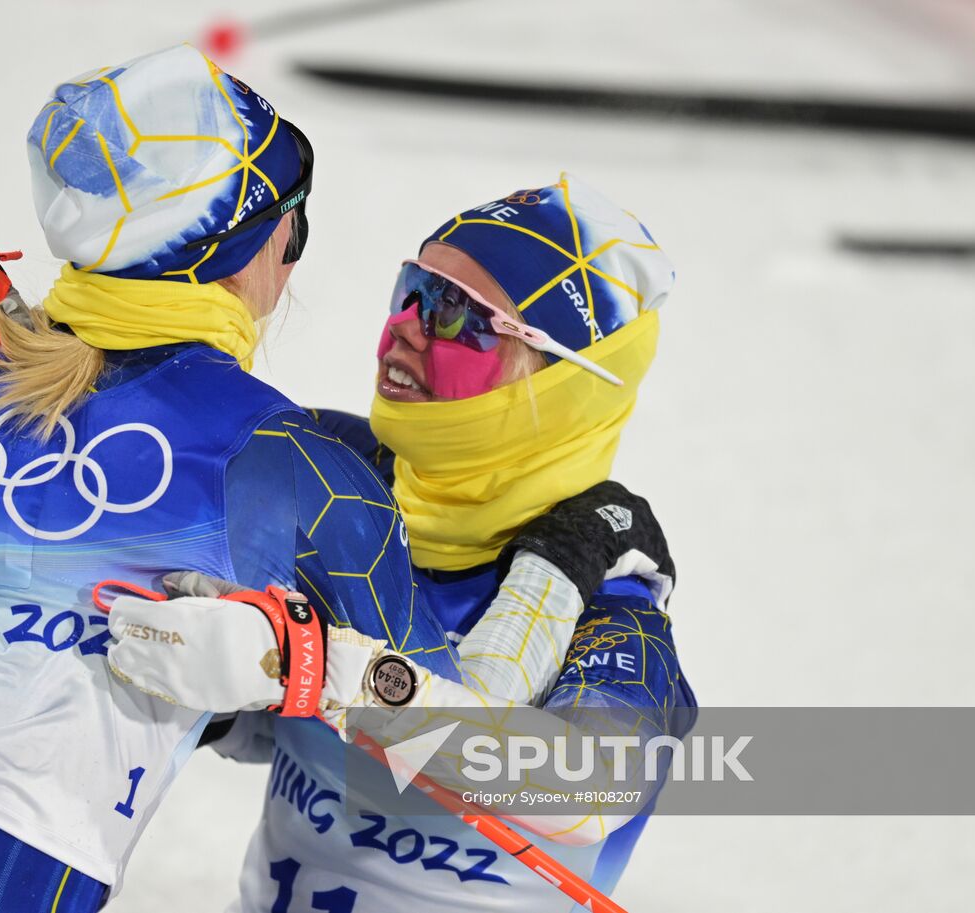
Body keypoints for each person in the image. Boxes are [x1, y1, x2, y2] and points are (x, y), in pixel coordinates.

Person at [0, 46, 640, 913]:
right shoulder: (295, 470)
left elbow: (69, 435)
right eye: (294, 229)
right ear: (243, 252)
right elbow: (470, 716)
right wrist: (564, 553)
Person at [107, 175, 696, 911]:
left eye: (459, 314)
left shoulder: (613, 609)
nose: (406, 327)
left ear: (566, 387)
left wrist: (323, 671)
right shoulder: (343, 491)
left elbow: (582, 789)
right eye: (411, 289)